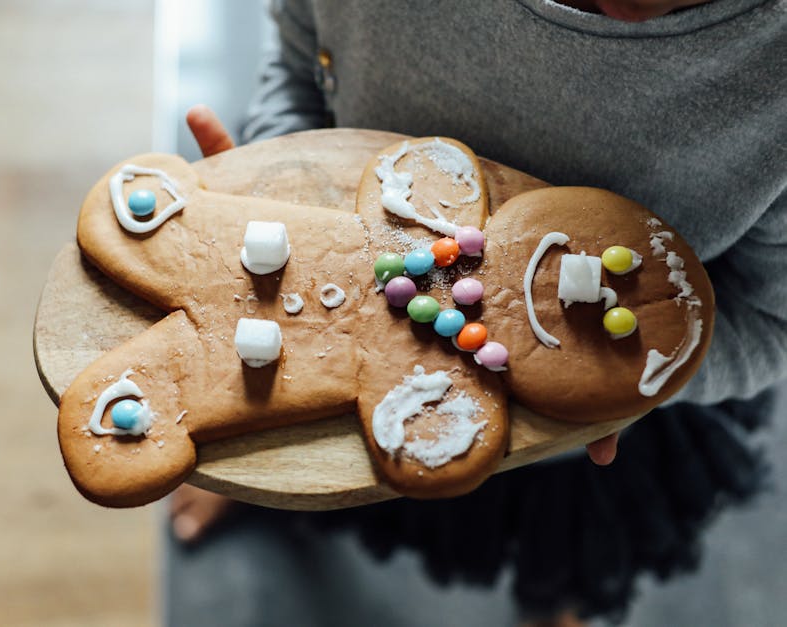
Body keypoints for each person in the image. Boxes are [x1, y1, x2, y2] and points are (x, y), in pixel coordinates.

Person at [168, 1, 787, 624]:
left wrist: (622, 379)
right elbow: (304, 62)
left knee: (565, 557)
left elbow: (770, 318)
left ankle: (555, 603)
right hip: (343, 363)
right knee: (290, 428)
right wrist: (288, 192)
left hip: (590, 445)